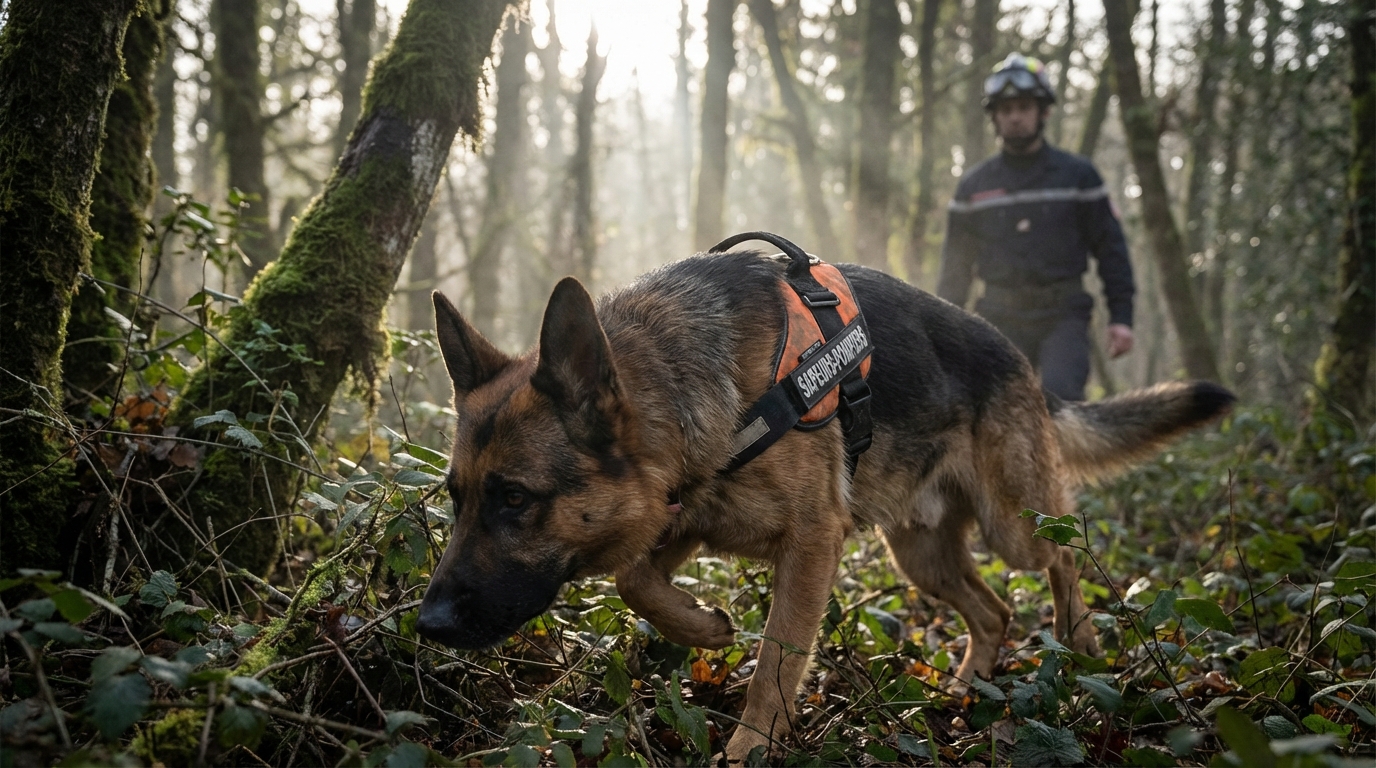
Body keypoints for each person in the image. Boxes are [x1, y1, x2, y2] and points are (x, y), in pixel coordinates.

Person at [937, 53, 1135, 402]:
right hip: (997, 317)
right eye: (1006, 109)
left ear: (1042, 111)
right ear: (995, 117)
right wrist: (941, 331)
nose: (1015, 117)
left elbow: (1110, 248)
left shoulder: (1079, 177)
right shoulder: (974, 188)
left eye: (1024, 107)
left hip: (1063, 315)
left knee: (1062, 401)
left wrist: (1121, 317)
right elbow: (955, 267)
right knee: (997, 409)